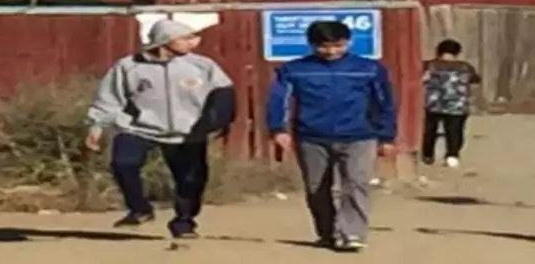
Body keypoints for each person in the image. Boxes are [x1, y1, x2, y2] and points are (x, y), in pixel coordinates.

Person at [85, 18, 235, 241]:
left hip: (187, 132)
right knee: (123, 163)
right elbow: (109, 97)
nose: (193, 42)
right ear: (165, 40)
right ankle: (140, 209)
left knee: (191, 181)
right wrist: (97, 125)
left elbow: (224, 95)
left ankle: (183, 222)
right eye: (185, 38)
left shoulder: (203, 66)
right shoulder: (128, 66)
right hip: (138, 127)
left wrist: (218, 120)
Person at [265, 20, 398, 253]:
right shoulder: (295, 70)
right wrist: (278, 129)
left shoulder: (369, 69)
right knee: (316, 188)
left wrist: (386, 136)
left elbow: (384, 103)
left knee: (356, 183)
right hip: (311, 136)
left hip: (359, 135)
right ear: (311, 44)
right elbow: (279, 100)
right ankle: (327, 233)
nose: (331, 51)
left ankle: (352, 234)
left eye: (338, 45)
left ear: (348, 42)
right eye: (324, 46)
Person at [420, 38, 482, 168]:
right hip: (457, 105)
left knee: (430, 130)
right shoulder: (465, 67)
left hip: (433, 104)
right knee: (455, 131)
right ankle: (452, 155)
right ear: (457, 53)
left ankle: (428, 155)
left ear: (439, 51)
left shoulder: (429, 66)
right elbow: (476, 80)